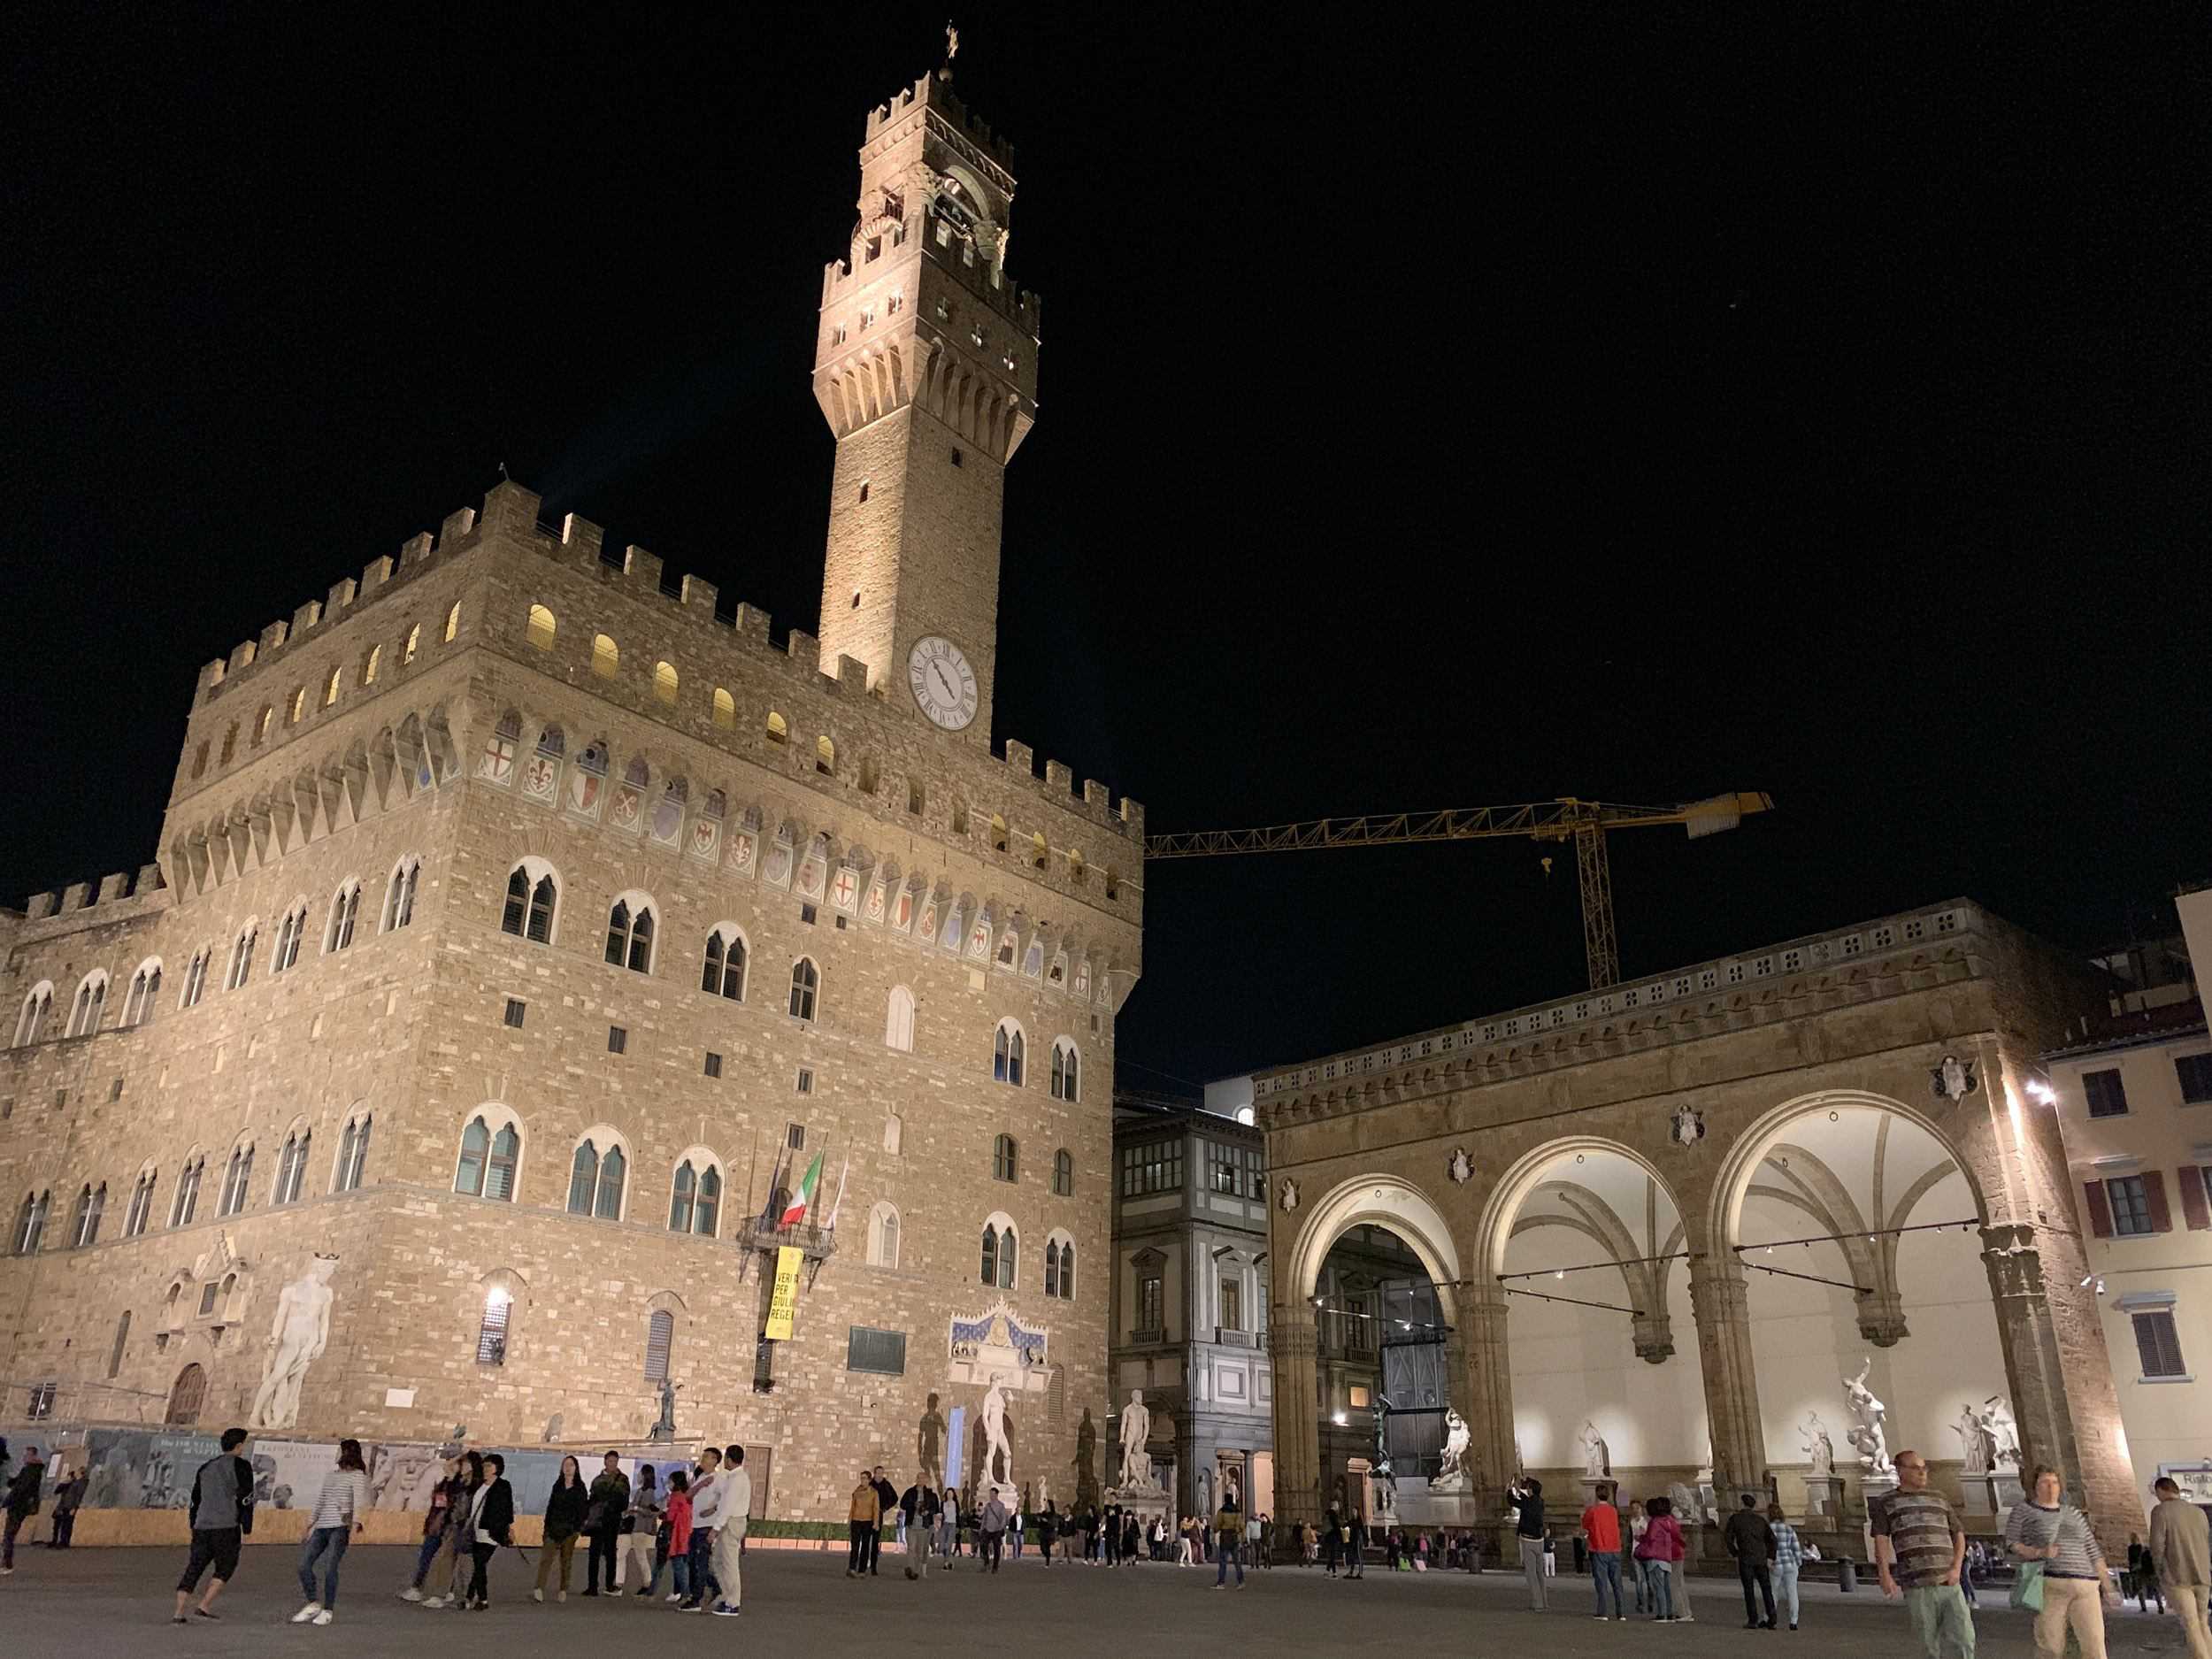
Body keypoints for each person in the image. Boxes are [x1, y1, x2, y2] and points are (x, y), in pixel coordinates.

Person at [2006, 1464, 2117, 1659]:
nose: (2051, 1487)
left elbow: (2093, 1551)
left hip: (2087, 1584)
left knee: (2095, 1645)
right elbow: (2012, 1543)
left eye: (2055, 1482)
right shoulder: (2023, 1511)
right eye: (2045, 1482)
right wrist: (2038, 1551)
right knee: (2050, 1645)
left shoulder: (2073, 1514)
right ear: (2035, 1486)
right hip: (2051, 1583)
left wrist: (2108, 1587)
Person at [1872, 1448, 1971, 1659]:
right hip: (1917, 1585)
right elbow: (1881, 1539)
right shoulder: (1886, 1502)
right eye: (1916, 1468)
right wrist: (1885, 1574)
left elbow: (1958, 1533)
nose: (1922, 1472)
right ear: (1900, 1471)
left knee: (1963, 1638)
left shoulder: (1939, 1498)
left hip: (1949, 1581)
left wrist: (1956, 1567)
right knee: (1927, 1644)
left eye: (1924, 1467)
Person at [173, 1429, 254, 1623]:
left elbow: (195, 1499)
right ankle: (204, 1605)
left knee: (194, 1567)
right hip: (226, 1525)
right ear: (239, 1446)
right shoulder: (242, 1466)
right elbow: (246, 1499)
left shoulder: (206, 1467)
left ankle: (178, 1612)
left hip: (202, 1524)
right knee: (226, 1566)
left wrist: (194, 1522)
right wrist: (247, 1526)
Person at [290, 1437, 370, 1625]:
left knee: (329, 1568)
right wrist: (310, 1524)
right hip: (322, 1526)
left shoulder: (357, 1476)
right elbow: (321, 1500)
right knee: (304, 1565)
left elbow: (358, 1501)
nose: (336, 1453)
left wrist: (355, 1524)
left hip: (340, 1527)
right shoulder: (331, 1475)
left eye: (339, 1450)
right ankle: (312, 1602)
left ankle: (328, 1609)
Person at [2150, 1475, 2212, 1659]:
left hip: (2178, 1575)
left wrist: (2159, 1570)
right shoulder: (2198, 1512)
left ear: (2161, 1490)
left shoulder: (2160, 1511)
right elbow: (2206, 1540)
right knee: (2203, 1622)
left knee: (2191, 1623)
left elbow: (2157, 1545)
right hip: (2202, 1574)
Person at [419, 1451, 481, 1609]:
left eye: (466, 1463)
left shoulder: (475, 1485)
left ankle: (450, 1595)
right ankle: (443, 1593)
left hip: (465, 1527)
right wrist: (460, 1456)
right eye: (463, 1463)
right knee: (444, 1560)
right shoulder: (458, 1482)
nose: (463, 1466)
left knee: (457, 1564)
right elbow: (447, 1467)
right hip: (452, 1526)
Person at [400, 1454, 462, 1601]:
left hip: (446, 1526)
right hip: (435, 1524)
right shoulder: (444, 1483)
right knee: (426, 1557)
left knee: (444, 1559)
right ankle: (419, 1587)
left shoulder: (458, 1486)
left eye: (454, 1465)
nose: (449, 1467)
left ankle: (442, 1589)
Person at [535, 1454, 588, 1602]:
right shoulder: (557, 1486)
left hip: (570, 1531)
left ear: (576, 1468)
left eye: (571, 1465)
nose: (568, 1468)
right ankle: (539, 1587)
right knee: (546, 1559)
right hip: (553, 1528)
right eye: (565, 1465)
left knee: (566, 1561)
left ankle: (563, 1589)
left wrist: (576, 1529)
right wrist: (546, 1527)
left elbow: (583, 1510)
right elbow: (551, 1507)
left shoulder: (580, 1488)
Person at [466, 1452, 515, 1610]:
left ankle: (483, 1599)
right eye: (484, 1465)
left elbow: (508, 1509)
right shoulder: (479, 1484)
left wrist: (509, 1528)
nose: (486, 1468)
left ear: (497, 1468)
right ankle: (469, 1597)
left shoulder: (503, 1486)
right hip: (475, 1531)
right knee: (479, 1565)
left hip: (492, 1532)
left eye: (489, 1465)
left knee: (480, 1564)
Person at [1724, 1491, 1778, 1629]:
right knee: (1766, 1589)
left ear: (1742, 1503)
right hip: (1761, 1557)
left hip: (1745, 1557)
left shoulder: (1735, 1519)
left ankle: (1753, 1620)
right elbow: (1772, 1540)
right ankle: (1772, 1618)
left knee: (1749, 1590)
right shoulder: (1760, 1520)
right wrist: (1770, 1557)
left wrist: (1735, 1553)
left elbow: (1728, 1537)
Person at [709, 1443, 750, 1618]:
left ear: (729, 1459)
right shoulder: (734, 1478)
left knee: (729, 1564)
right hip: (731, 1520)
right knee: (718, 1561)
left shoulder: (737, 1479)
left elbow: (728, 1506)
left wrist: (715, 1528)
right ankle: (726, 1595)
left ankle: (733, 1603)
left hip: (732, 1522)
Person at [679, 1446, 722, 1610]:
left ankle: (696, 1598)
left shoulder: (719, 1479)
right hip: (696, 1524)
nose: (703, 1460)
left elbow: (727, 1500)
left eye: (706, 1457)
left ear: (715, 1460)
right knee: (692, 1561)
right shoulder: (702, 1477)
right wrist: (702, 1484)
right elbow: (688, 1495)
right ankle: (716, 1587)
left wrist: (713, 1509)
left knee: (700, 1562)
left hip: (707, 1524)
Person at [583, 1450, 629, 1595]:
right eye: (610, 1461)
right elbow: (592, 1501)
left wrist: (610, 1507)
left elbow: (624, 1503)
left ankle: (610, 1584)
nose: (612, 1464)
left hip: (612, 1521)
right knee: (594, 1554)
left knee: (610, 1553)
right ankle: (592, 1586)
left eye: (615, 1461)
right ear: (605, 1462)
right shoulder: (597, 1480)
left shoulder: (622, 1480)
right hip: (598, 1522)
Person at [1582, 1481, 1627, 1620]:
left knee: (1601, 1582)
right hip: (1615, 1548)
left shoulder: (1593, 1511)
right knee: (1617, 1583)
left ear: (1596, 1495)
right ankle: (1621, 1612)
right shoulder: (1613, 1511)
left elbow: (1585, 1524)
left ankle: (1603, 1612)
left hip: (1600, 1548)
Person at [1639, 1494, 1685, 1622]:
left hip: (1656, 1557)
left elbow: (1651, 1538)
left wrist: (1641, 1537)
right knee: (1666, 1587)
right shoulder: (1667, 1521)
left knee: (1659, 1587)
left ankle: (1661, 1613)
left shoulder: (1655, 1522)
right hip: (1666, 1556)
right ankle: (1670, 1613)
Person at [2, 1445, 44, 1574]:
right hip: (19, 1506)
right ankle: (6, 1563)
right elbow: (17, 1483)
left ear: (33, 1456)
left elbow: (21, 1488)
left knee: (8, 1535)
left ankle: (7, 1565)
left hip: (19, 1506)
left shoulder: (31, 1471)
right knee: (9, 1535)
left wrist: (7, 1501)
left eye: (26, 1455)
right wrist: (9, 1480)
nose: (24, 1457)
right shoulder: (29, 1470)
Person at [621, 1463, 662, 1592]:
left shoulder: (649, 1492)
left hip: (642, 1528)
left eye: (640, 1473)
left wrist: (636, 1509)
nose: (638, 1476)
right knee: (638, 1555)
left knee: (641, 1556)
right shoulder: (641, 1491)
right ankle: (647, 1582)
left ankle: (648, 1582)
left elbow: (651, 1512)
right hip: (636, 1526)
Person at [1509, 1476, 1548, 1609]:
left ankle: (1538, 1604)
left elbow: (1512, 1501)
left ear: (1531, 1490)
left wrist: (1509, 1489)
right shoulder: (1540, 1502)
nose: (1527, 1489)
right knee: (1539, 1573)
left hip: (1528, 1540)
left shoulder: (1528, 1503)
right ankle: (1544, 1601)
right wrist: (1518, 1490)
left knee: (1531, 1574)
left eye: (1528, 1487)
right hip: (1539, 1540)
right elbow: (1526, 1500)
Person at [1769, 1502, 1805, 1632]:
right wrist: (1798, 1563)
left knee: (1772, 1592)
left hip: (1775, 1564)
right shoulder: (1788, 1528)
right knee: (1792, 1592)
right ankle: (1793, 1620)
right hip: (1790, 1563)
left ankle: (1769, 1618)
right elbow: (1796, 1548)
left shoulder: (1768, 1529)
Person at [901, 1475, 942, 1578]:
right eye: (919, 1478)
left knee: (920, 1550)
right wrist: (912, 1504)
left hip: (924, 1526)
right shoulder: (910, 1492)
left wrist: (928, 1512)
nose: (921, 1480)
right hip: (911, 1524)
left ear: (926, 1480)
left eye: (923, 1478)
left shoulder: (930, 1494)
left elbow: (936, 1509)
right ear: (916, 1479)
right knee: (911, 1548)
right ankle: (910, 1568)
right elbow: (903, 1504)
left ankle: (916, 1571)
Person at [849, 1468, 880, 1577]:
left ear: (869, 1480)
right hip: (856, 1520)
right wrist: (850, 1519)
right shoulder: (857, 1491)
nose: (862, 1480)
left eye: (864, 1478)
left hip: (867, 1521)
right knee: (855, 1545)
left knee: (865, 1546)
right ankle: (852, 1568)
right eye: (861, 1478)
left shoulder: (874, 1493)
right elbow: (853, 1507)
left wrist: (876, 1522)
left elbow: (876, 1508)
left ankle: (862, 1570)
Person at [45, 1463, 85, 1549]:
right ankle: (55, 1540)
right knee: (57, 1524)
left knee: (67, 1525)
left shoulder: (78, 1484)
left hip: (69, 1506)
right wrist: (64, 1483)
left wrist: (75, 1507)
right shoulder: (67, 1484)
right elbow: (57, 1491)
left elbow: (78, 1496)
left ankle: (64, 1542)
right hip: (62, 1506)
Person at [870, 1466, 899, 1576]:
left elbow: (894, 1498)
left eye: (882, 1473)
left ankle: (873, 1566)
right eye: (878, 1473)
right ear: (875, 1473)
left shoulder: (886, 1485)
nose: (880, 1475)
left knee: (875, 1541)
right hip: (868, 1514)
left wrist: (885, 1507)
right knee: (866, 1540)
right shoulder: (870, 1483)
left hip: (879, 1514)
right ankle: (863, 1563)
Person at [1625, 1500, 1652, 1613]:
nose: (1635, 1510)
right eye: (1633, 1508)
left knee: (1650, 1580)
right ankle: (1641, 1602)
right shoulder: (1630, 1522)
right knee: (1639, 1580)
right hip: (1635, 1553)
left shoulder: (1647, 1521)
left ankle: (1651, 1601)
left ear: (1642, 1509)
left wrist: (1644, 1534)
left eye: (1637, 1508)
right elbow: (1629, 1538)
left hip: (1648, 1553)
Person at [2131, 1532, 2167, 1612]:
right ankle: (2159, 1606)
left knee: (2141, 1589)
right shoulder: (2148, 1550)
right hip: (2150, 1571)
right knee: (2154, 1590)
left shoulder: (2140, 1550)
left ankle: (2144, 1607)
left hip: (2143, 1571)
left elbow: (2135, 1561)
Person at [1213, 1501, 1246, 1589]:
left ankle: (1221, 1583)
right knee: (1237, 1562)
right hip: (1234, 1538)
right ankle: (1241, 1582)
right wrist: (1243, 1538)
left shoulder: (1222, 1511)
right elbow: (1242, 1526)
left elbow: (1217, 1525)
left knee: (1223, 1561)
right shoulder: (1237, 1512)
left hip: (1225, 1537)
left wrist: (1215, 1529)